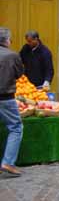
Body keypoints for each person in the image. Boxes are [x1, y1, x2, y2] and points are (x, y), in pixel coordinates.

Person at [0, 28, 24, 176]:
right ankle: (8, 163)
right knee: (16, 127)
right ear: (7, 40)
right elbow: (19, 73)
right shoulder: (12, 55)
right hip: (5, 97)